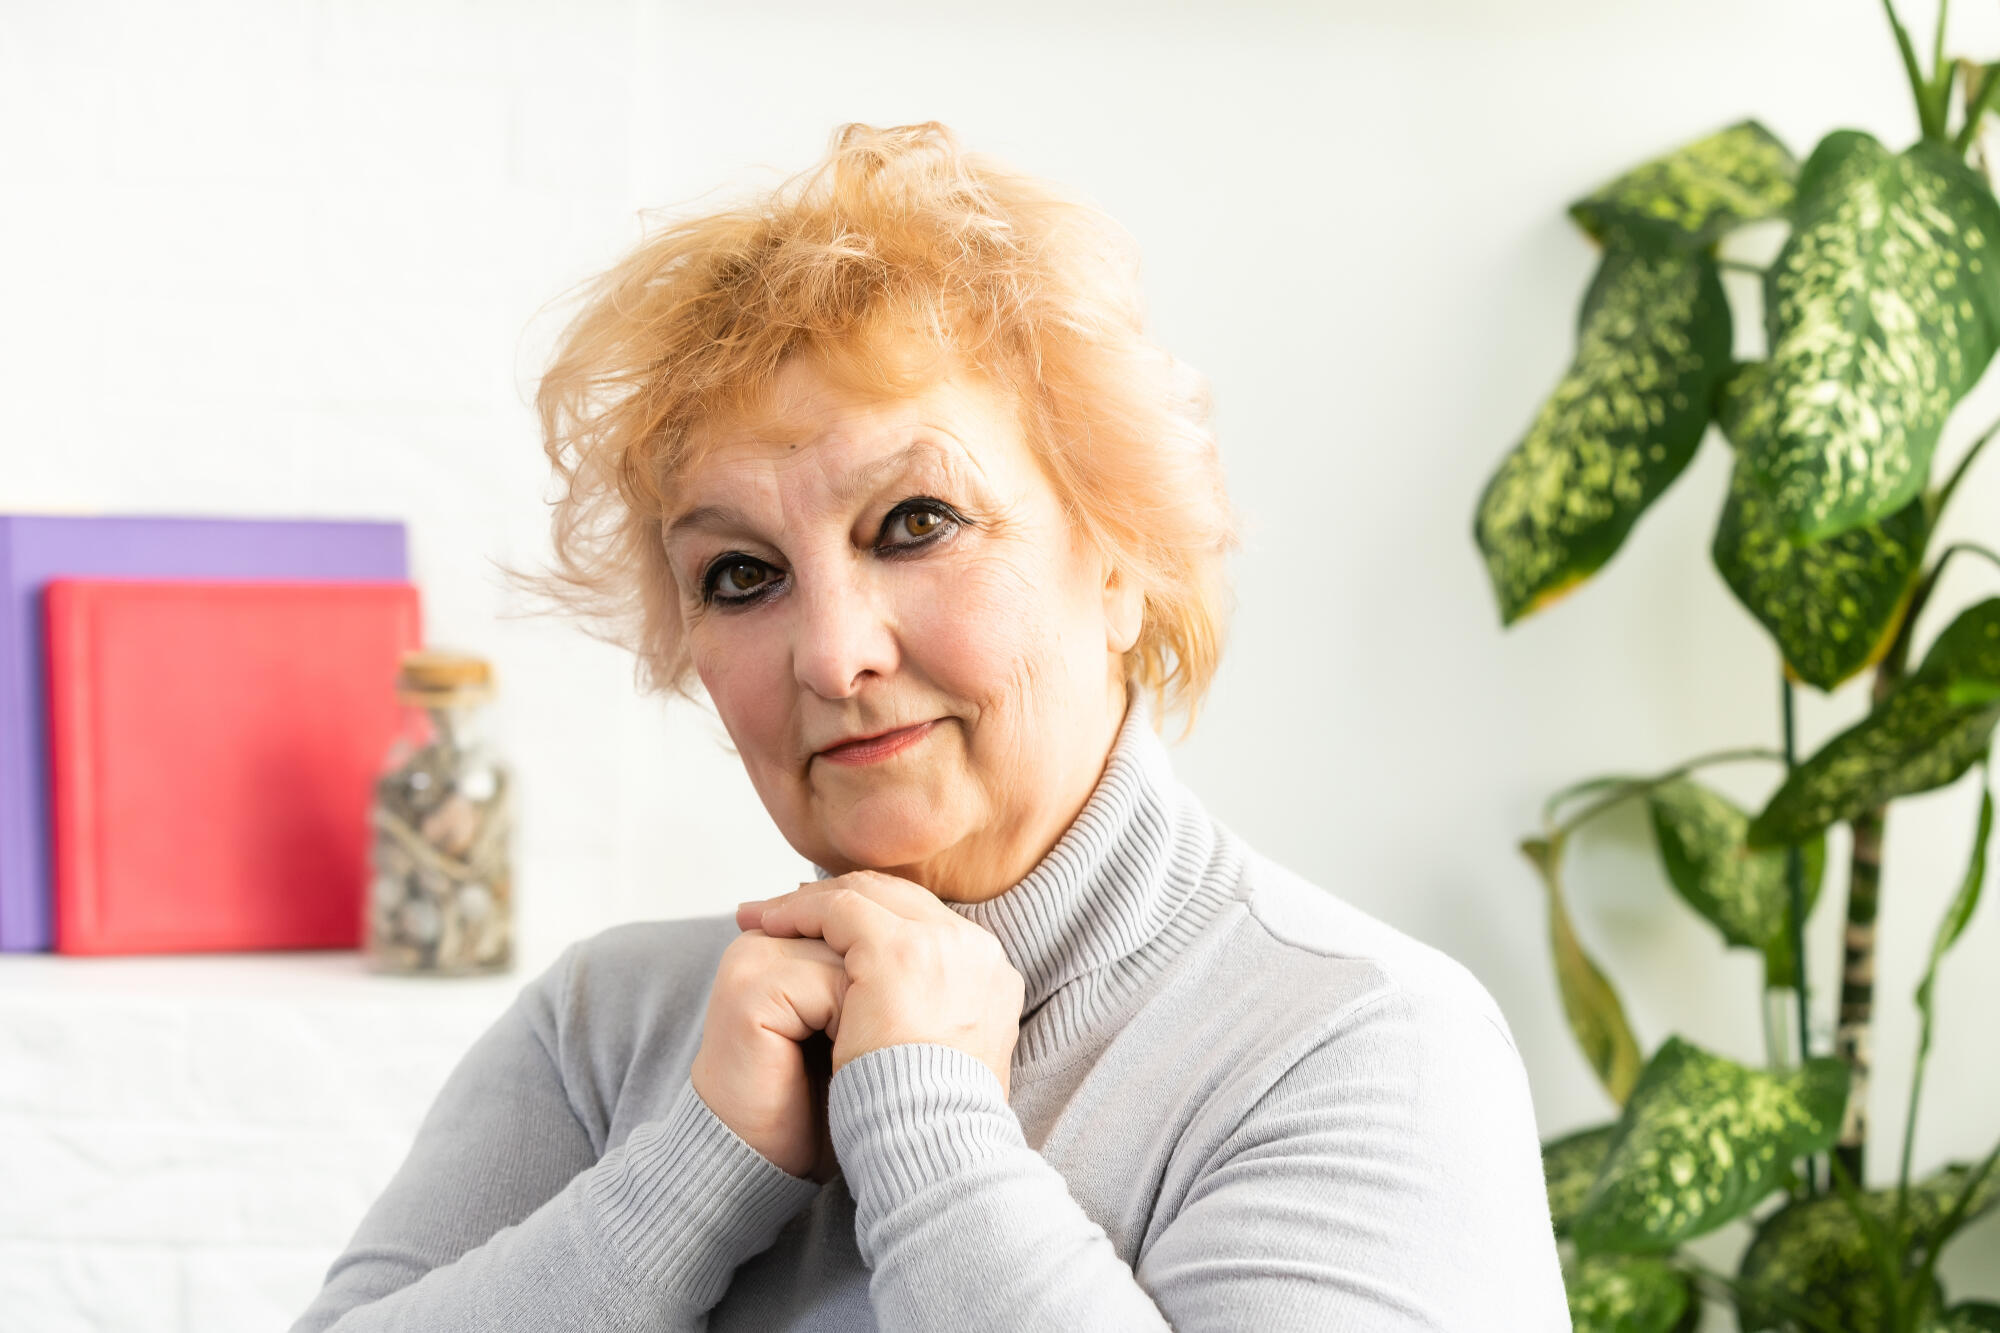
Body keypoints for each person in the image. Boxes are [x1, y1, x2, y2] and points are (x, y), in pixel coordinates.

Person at [290, 121, 1570, 1332]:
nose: (834, 654)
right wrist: (685, 1174)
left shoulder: (1360, 1043)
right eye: (740, 575)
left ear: (1121, 559)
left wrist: (928, 1125)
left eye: (915, 523)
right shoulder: (606, 1027)